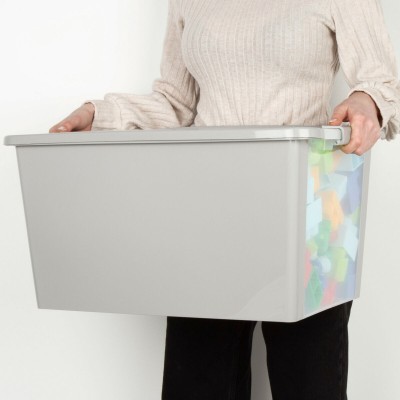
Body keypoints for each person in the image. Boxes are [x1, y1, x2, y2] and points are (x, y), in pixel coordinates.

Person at [50, 0, 400, 398]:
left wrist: (365, 101)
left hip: (310, 215)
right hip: (210, 212)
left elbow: (380, 82)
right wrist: (100, 114)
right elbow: (177, 103)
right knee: (198, 381)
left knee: (308, 382)